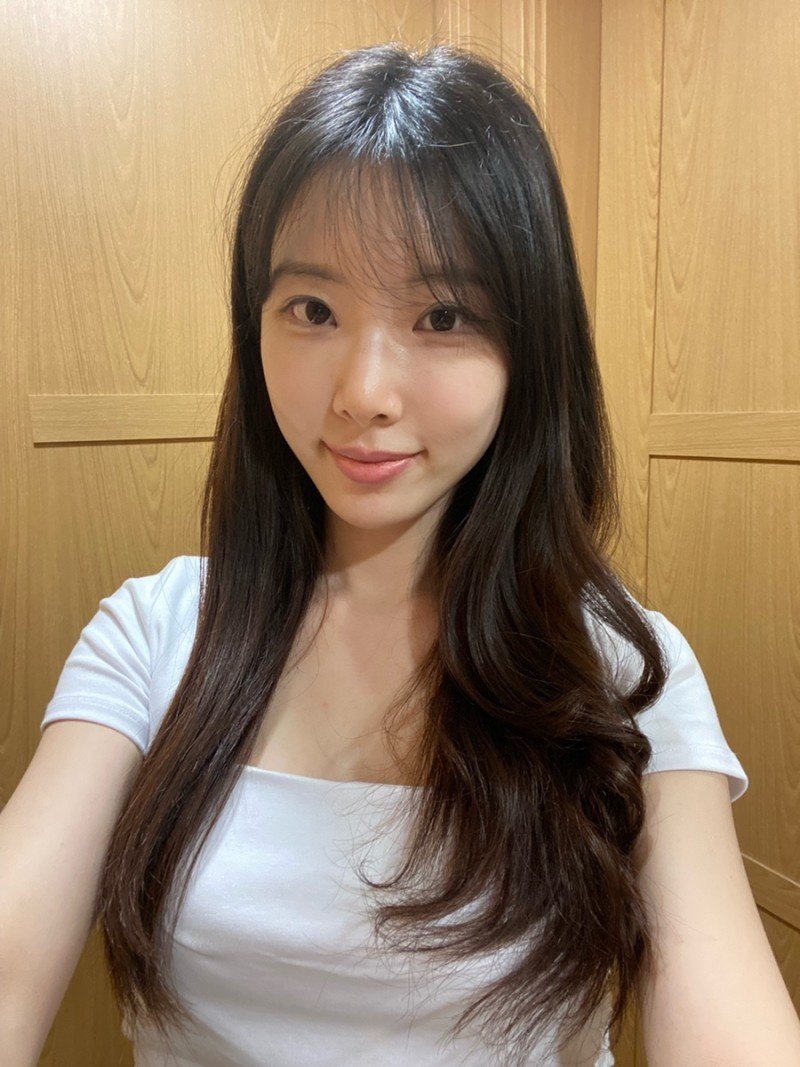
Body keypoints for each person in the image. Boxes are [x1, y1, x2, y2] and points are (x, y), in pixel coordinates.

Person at [5, 39, 798, 1067]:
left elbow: (720, 1000)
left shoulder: (620, 667)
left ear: (530, 350)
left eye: (441, 315)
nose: (363, 392)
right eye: (313, 310)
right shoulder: (156, 635)